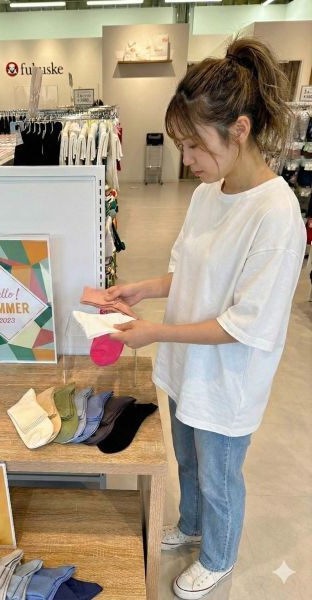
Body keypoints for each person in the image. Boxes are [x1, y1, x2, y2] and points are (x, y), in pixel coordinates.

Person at [107, 37, 306, 599]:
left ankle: (218, 557)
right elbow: (187, 274)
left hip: (227, 379)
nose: (186, 159)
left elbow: (246, 323)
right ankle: (191, 526)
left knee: (219, 475)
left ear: (239, 130)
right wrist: (140, 289)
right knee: (188, 461)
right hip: (188, 366)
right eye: (181, 145)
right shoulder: (207, 195)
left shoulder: (276, 214)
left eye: (194, 145)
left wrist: (153, 332)